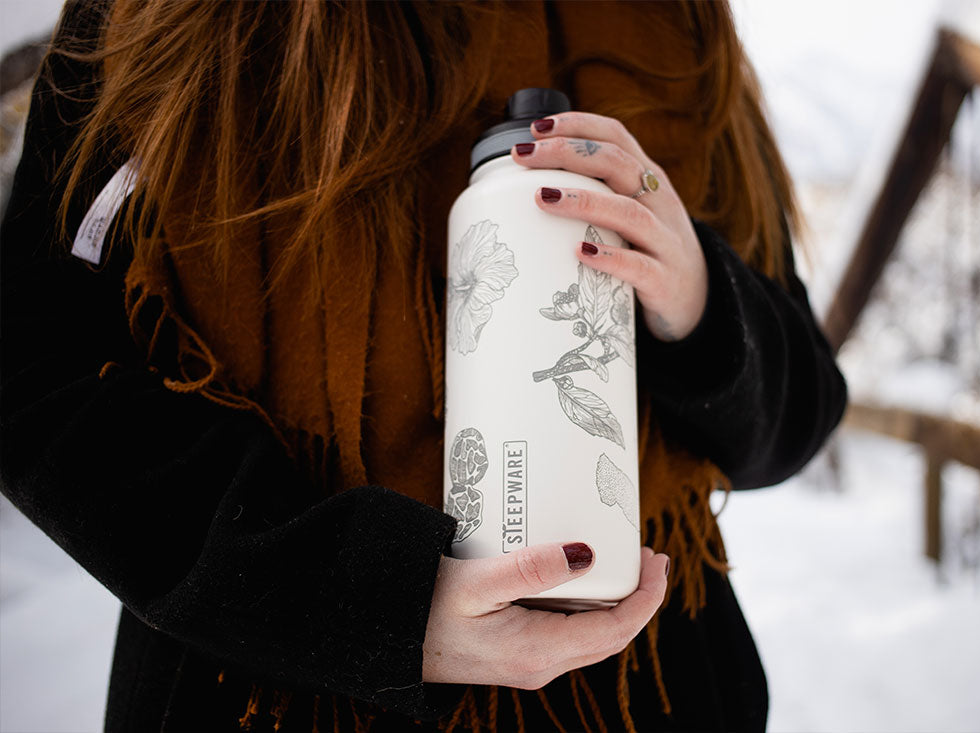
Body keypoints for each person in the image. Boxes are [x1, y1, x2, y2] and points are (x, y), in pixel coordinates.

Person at [0, 1, 846, 731]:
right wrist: (366, 601)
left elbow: (804, 407)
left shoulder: (684, 29)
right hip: (268, 693)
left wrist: (699, 299)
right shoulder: (168, 22)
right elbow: (34, 363)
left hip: (658, 690)